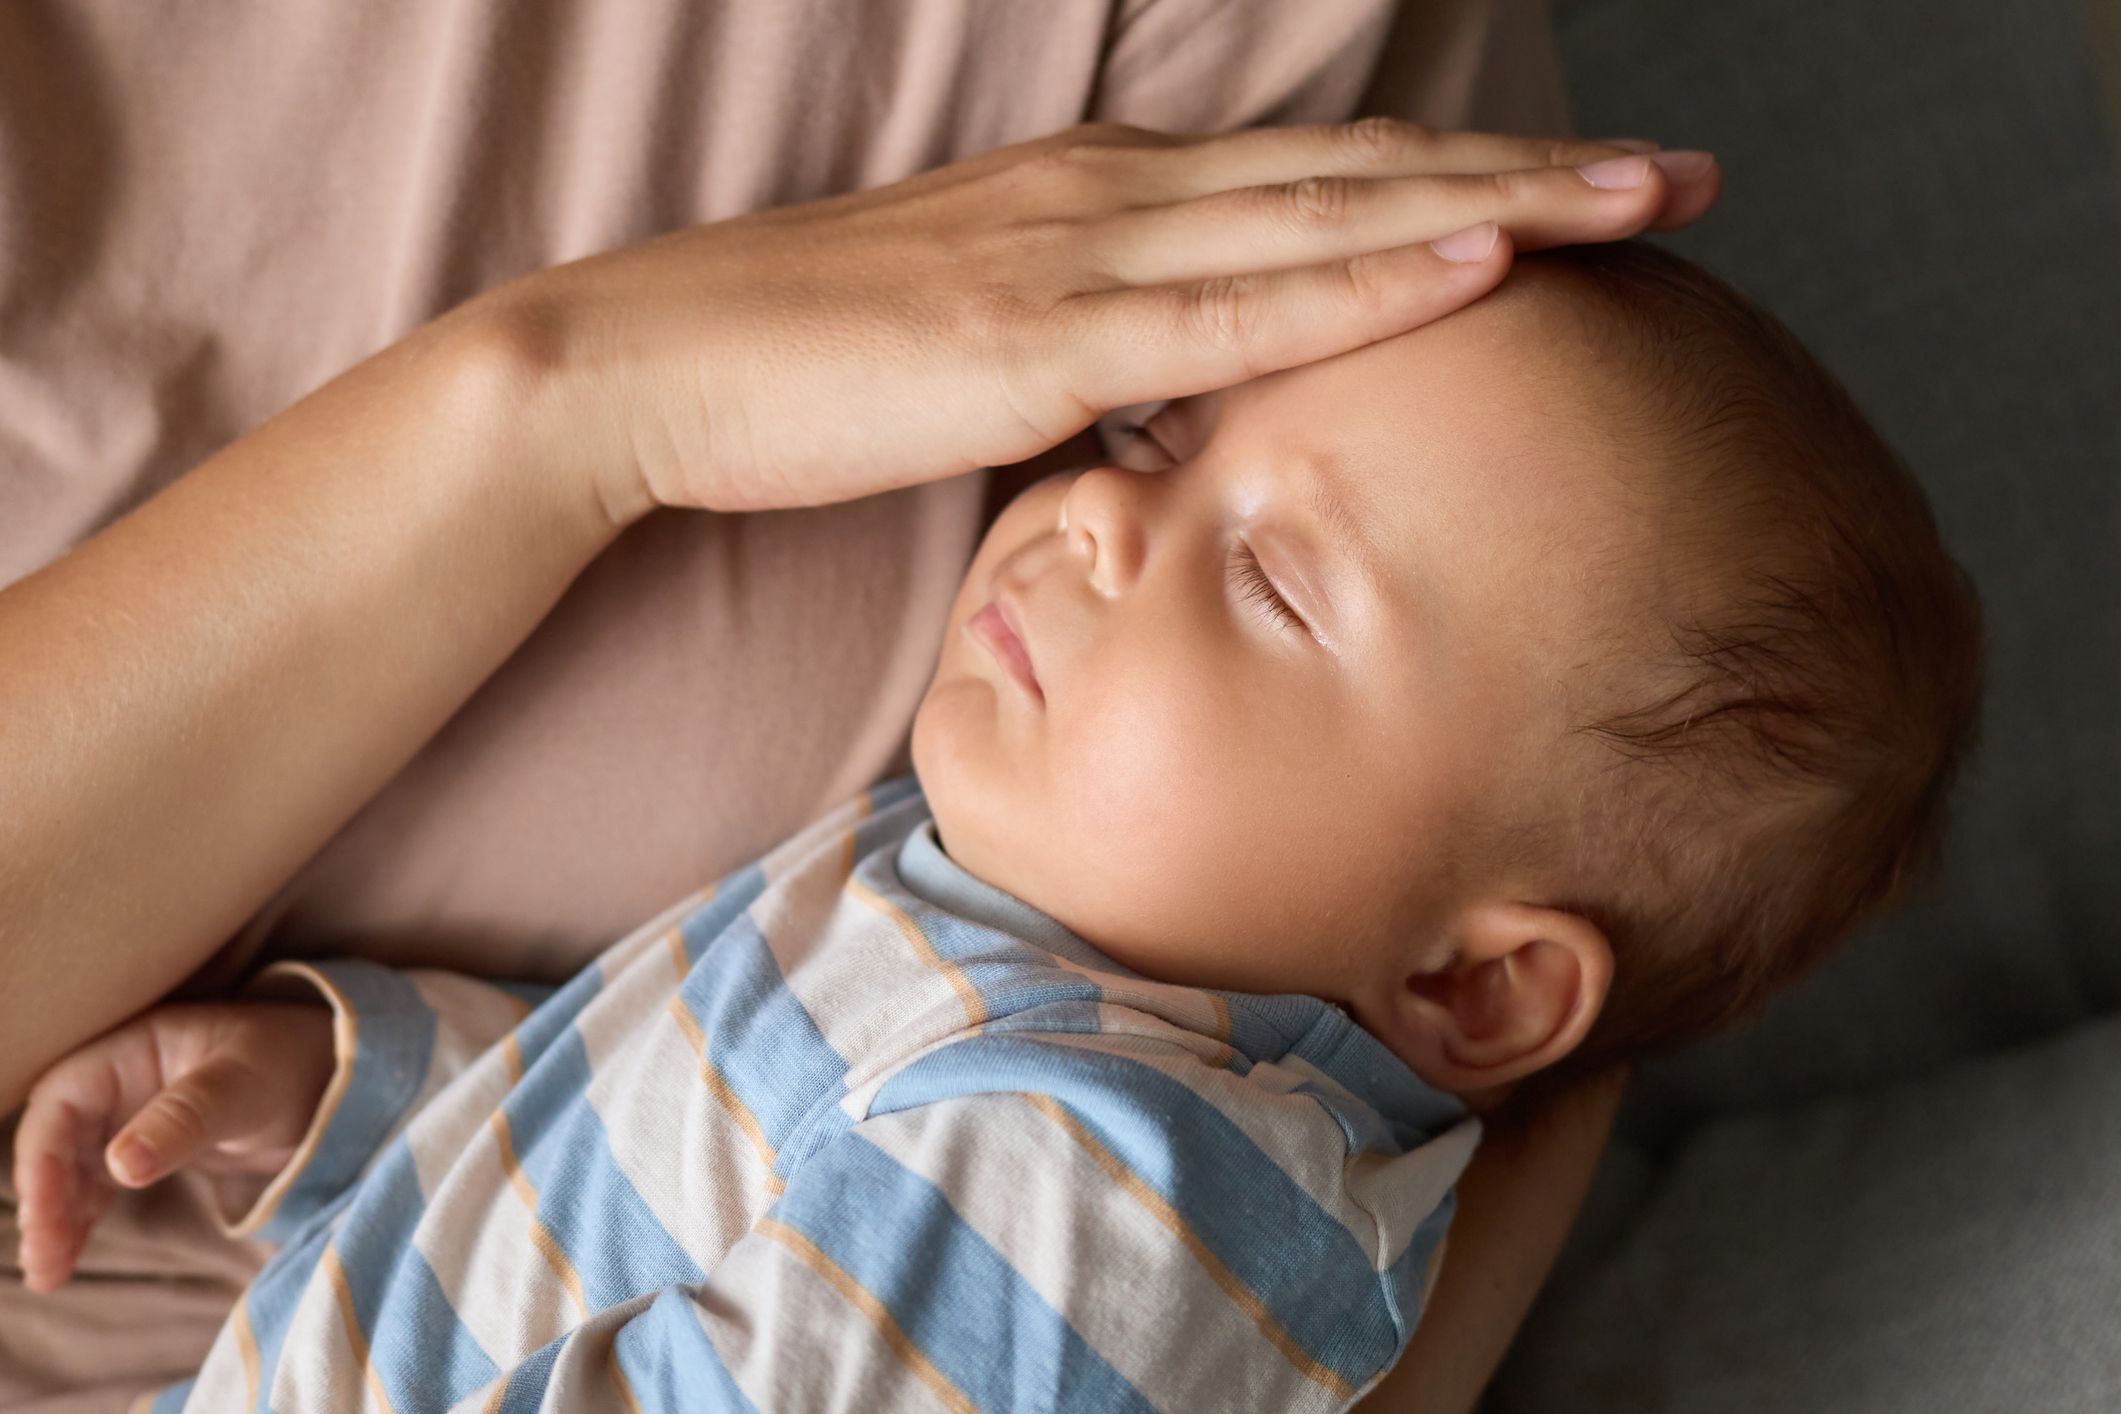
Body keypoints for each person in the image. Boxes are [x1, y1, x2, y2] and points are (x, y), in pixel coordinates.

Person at [0, 6, 1698, 1407]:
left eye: (1268, 582)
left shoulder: (1102, 1189)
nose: (1098, 511)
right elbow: (674, 1121)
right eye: (1154, 444)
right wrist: (343, 1092)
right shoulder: (969, 929)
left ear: (1474, 983)